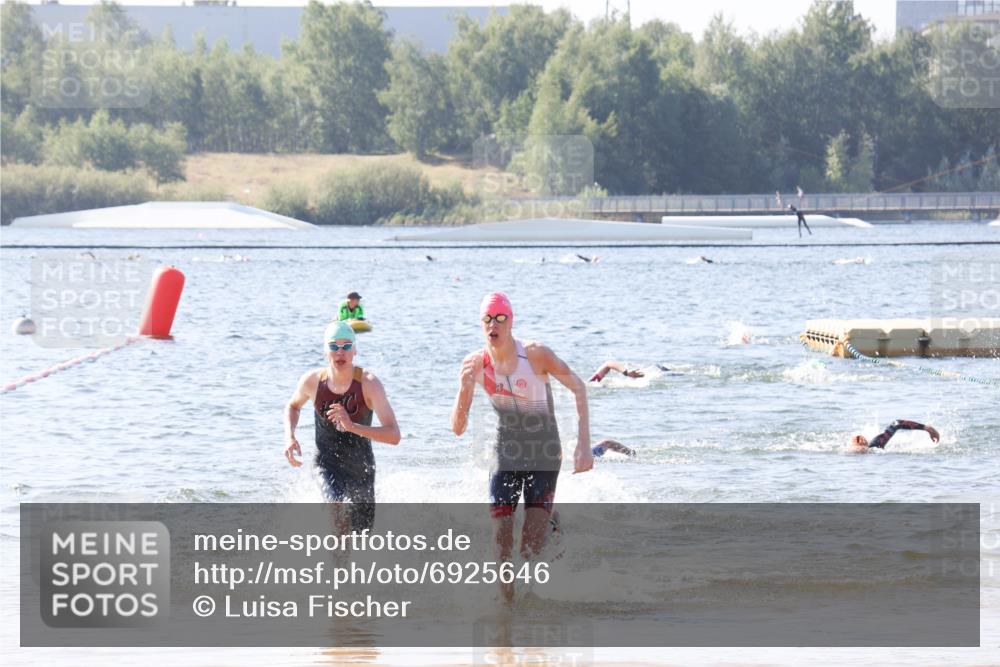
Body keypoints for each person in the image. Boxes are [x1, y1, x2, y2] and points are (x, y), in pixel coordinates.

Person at [450, 292, 592, 602]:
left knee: (529, 548)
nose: (493, 325)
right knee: (501, 537)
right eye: (487, 319)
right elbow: (458, 428)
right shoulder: (474, 364)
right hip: (506, 451)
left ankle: (549, 534)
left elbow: (578, 387)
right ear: (481, 323)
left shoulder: (536, 354)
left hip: (544, 452)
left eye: (500, 318)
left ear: (511, 321)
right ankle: (508, 609)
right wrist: (463, 389)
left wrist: (583, 444)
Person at [284, 321, 400, 531]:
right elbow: (293, 406)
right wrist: (290, 436)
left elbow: (394, 435)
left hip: (360, 466)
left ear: (355, 350)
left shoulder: (369, 384)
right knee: (335, 508)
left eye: (346, 346)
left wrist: (351, 426)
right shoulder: (312, 382)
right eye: (334, 346)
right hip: (326, 462)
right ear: (325, 351)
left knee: (361, 533)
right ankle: (337, 565)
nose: (340, 352)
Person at [851, 420, 939, 451]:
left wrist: (926, 428)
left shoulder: (876, 445)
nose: (861, 448)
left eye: (862, 446)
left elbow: (896, 423)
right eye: (858, 447)